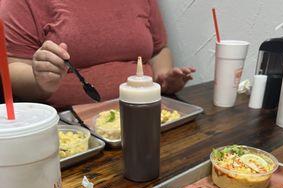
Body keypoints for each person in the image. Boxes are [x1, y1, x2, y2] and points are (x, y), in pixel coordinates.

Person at [0, 0, 195, 108]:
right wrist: (39, 80)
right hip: (70, 130)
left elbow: (158, 49)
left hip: (147, 112)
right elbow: (11, 68)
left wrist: (164, 79)